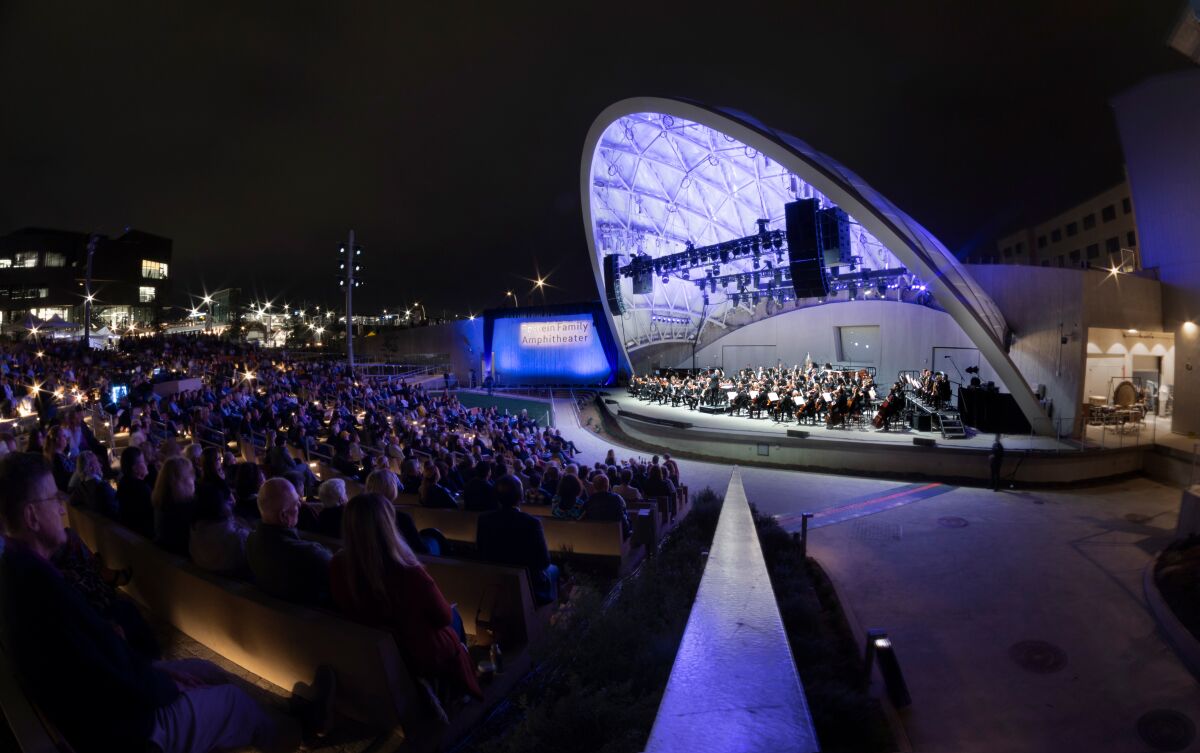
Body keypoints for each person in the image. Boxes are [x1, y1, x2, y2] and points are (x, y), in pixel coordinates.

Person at [0, 452, 331, 753]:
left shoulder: (24, 571)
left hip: (121, 696)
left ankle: (287, 711)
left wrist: (150, 671)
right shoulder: (38, 588)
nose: (61, 507)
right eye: (53, 499)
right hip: (130, 729)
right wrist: (167, 685)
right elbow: (105, 677)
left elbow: (98, 660)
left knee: (207, 670)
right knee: (232, 703)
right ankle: (300, 732)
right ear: (31, 516)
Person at [330, 494, 482, 710]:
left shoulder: (338, 564)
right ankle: (455, 686)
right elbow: (443, 617)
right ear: (388, 525)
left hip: (375, 648)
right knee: (455, 617)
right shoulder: (408, 571)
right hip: (417, 651)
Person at [246, 478, 333, 607]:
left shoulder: (250, 541)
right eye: (296, 503)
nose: (300, 505)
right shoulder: (311, 555)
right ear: (284, 516)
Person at [477, 475, 558, 605]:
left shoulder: (483, 519)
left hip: (494, 580)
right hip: (529, 583)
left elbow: (481, 551)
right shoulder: (532, 523)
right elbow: (544, 561)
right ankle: (549, 613)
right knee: (554, 569)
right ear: (521, 496)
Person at [189, 482, 251, 576]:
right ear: (221, 505)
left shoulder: (194, 530)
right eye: (227, 500)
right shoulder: (238, 538)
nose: (231, 501)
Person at [152, 456, 197, 557]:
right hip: (182, 559)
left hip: (165, 556)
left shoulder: (161, 501)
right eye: (190, 474)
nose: (193, 478)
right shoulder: (185, 507)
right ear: (182, 481)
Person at [69, 450, 119, 519]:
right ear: (91, 467)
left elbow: (71, 501)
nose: (100, 465)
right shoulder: (103, 487)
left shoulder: (81, 488)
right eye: (97, 462)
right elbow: (117, 510)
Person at [117, 446, 155, 538]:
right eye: (143, 461)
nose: (146, 463)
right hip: (144, 538)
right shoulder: (140, 489)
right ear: (134, 468)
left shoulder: (124, 483)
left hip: (132, 533)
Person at [584, 474, 631, 539]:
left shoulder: (588, 501)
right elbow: (623, 520)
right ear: (607, 486)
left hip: (595, 537)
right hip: (616, 536)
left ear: (594, 486)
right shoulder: (617, 498)